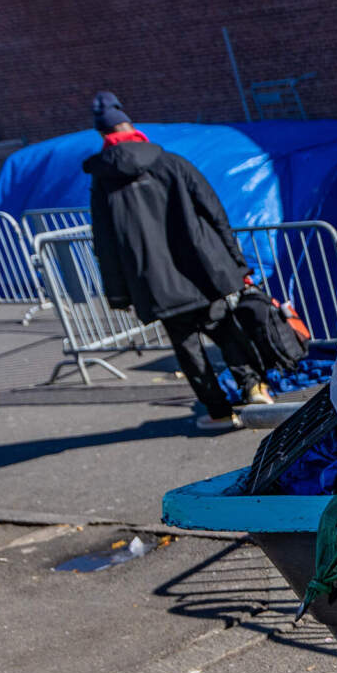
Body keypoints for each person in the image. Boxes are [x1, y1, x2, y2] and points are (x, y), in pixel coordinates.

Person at [84, 91, 271, 431]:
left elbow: (105, 245)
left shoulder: (103, 183)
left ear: (103, 137)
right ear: (131, 126)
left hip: (154, 284)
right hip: (200, 273)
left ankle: (219, 412)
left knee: (188, 350)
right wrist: (235, 263)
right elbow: (214, 213)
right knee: (226, 331)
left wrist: (119, 294)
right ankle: (254, 389)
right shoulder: (171, 162)